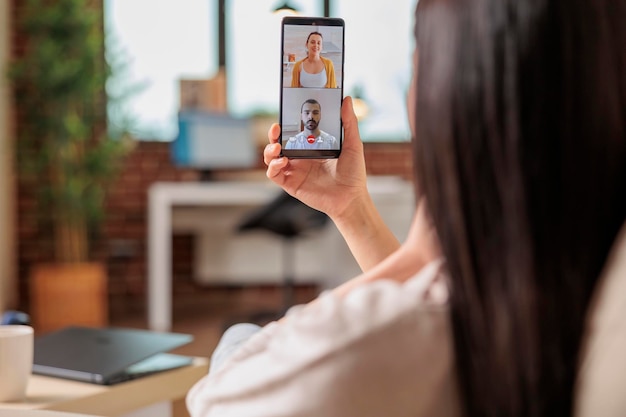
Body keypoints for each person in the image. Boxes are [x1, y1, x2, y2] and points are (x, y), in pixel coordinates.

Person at [187, 0, 626, 415]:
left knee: (239, 337)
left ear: (443, 94)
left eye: (418, 60)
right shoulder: (592, 291)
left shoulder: (356, 350)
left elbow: (212, 400)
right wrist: (352, 208)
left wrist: (420, 249)